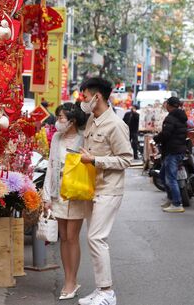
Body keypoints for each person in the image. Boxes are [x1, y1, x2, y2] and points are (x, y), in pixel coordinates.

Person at [77, 77, 133, 305]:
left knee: (96, 238)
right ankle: (101, 289)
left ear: (97, 97)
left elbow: (126, 159)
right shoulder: (92, 119)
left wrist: (95, 160)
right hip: (92, 187)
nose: (83, 100)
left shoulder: (116, 125)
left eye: (85, 96)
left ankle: (107, 292)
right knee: (94, 239)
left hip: (109, 189)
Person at [42, 102, 90, 300]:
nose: (58, 121)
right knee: (63, 236)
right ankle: (68, 279)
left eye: (61, 118)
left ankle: (72, 280)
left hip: (76, 192)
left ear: (73, 121)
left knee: (72, 236)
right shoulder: (56, 138)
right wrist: (46, 196)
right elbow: (51, 166)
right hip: (58, 191)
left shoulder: (84, 138)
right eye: (58, 117)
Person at [153, 96, 188, 213]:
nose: (165, 105)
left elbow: (166, 134)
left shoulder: (171, 118)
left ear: (169, 105)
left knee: (170, 178)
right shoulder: (181, 117)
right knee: (163, 175)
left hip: (172, 151)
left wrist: (156, 138)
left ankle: (177, 203)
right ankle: (171, 198)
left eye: (166, 103)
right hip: (179, 150)